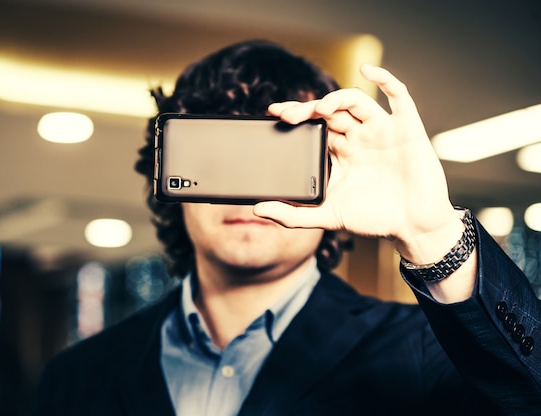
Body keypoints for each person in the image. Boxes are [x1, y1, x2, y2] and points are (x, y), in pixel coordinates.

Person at [31, 40, 541, 415]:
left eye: (279, 157)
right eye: (219, 157)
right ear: (168, 175)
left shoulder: (428, 352)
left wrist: (434, 237)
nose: (251, 191)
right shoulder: (75, 376)